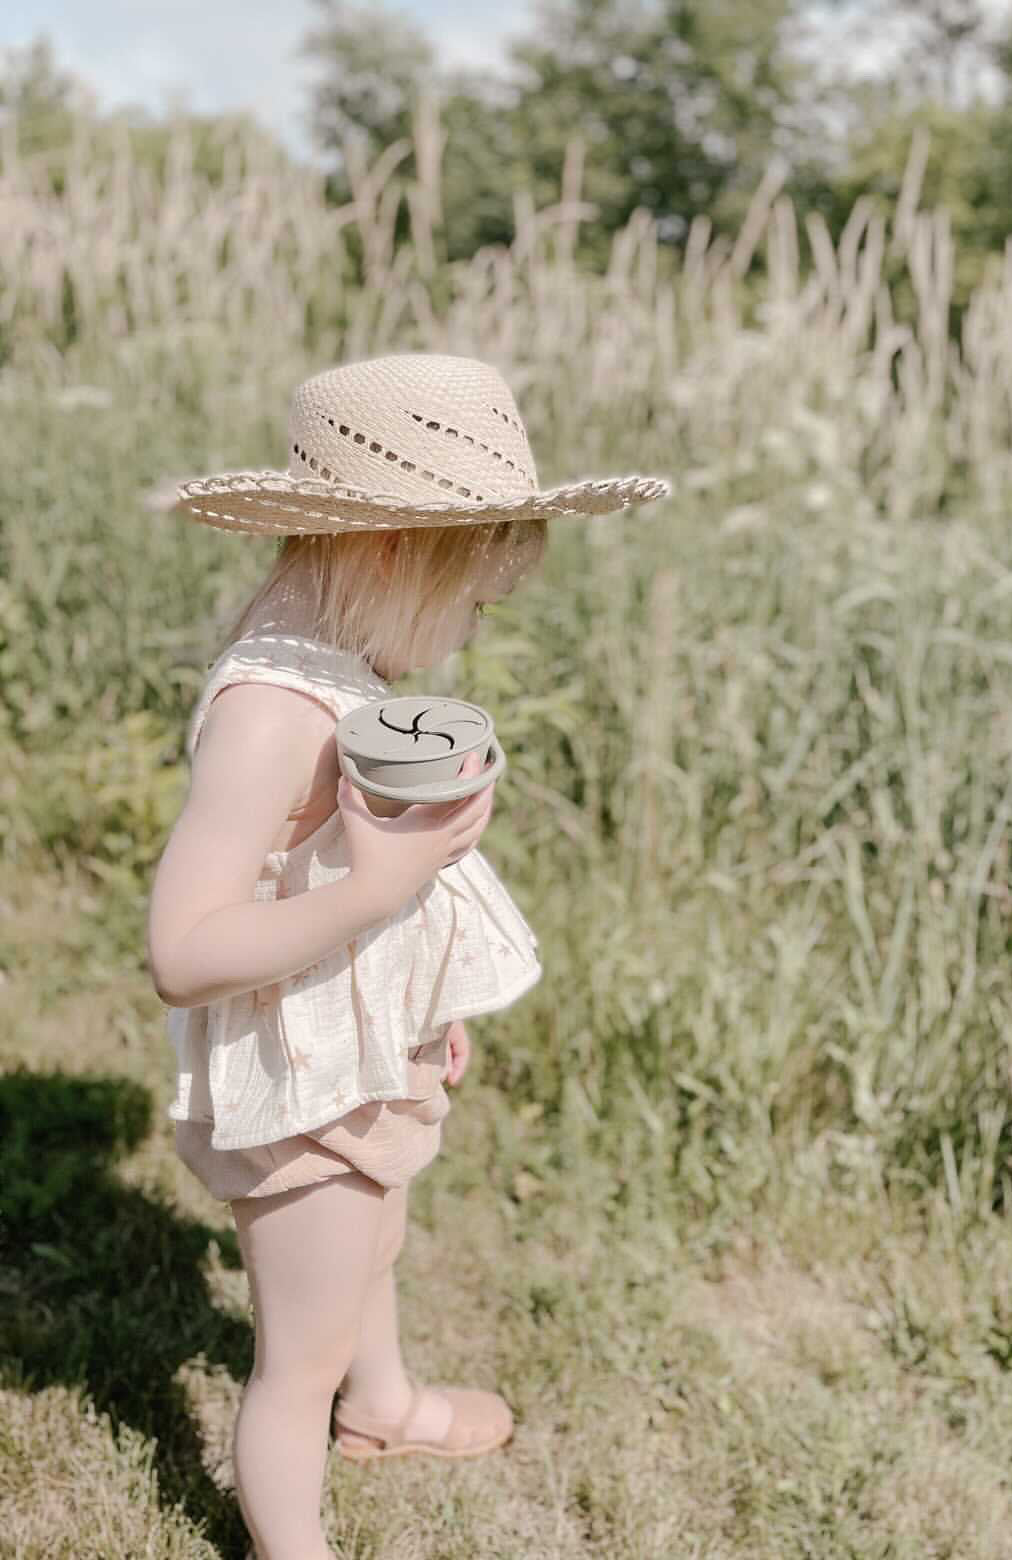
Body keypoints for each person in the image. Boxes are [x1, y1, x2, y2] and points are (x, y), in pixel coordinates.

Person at [146, 352, 671, 1560]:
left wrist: (421, 992)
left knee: (376, 1231)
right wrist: (386, 880)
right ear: (389, 554)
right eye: (474, 600)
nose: (474, 628)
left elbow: (339, 882)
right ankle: (297, 1533)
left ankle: (382, 1406)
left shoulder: (338, 662)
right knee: (298, 1352)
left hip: (356, 1050)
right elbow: (183, 947)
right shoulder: (271, 714)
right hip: (301, 1085)